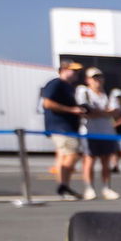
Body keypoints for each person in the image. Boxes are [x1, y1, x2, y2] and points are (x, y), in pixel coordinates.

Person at [40, 60, 85, 199]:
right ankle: (63, 186)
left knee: (63, 156)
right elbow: (47, 103)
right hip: (61, 127)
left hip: (67, 126)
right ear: (64, 70)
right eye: (73, 70)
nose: (76, 73)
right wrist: (71, 110)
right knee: (72, 154)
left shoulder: (69, 87)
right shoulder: (56, 83)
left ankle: (63, 185)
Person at [76, 68, 121, 199]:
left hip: (107, 132)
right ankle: (89, 188)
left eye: (100, 77)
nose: (98, 81)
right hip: (89, 132)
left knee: (105, 161)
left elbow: (116, 112)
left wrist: (99, 113)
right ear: (87, 80)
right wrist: (104, 113)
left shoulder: (109, 94)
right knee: (89, 160)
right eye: (94, 78)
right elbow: (86, 111)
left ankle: (106, 188)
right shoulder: (84, 92)